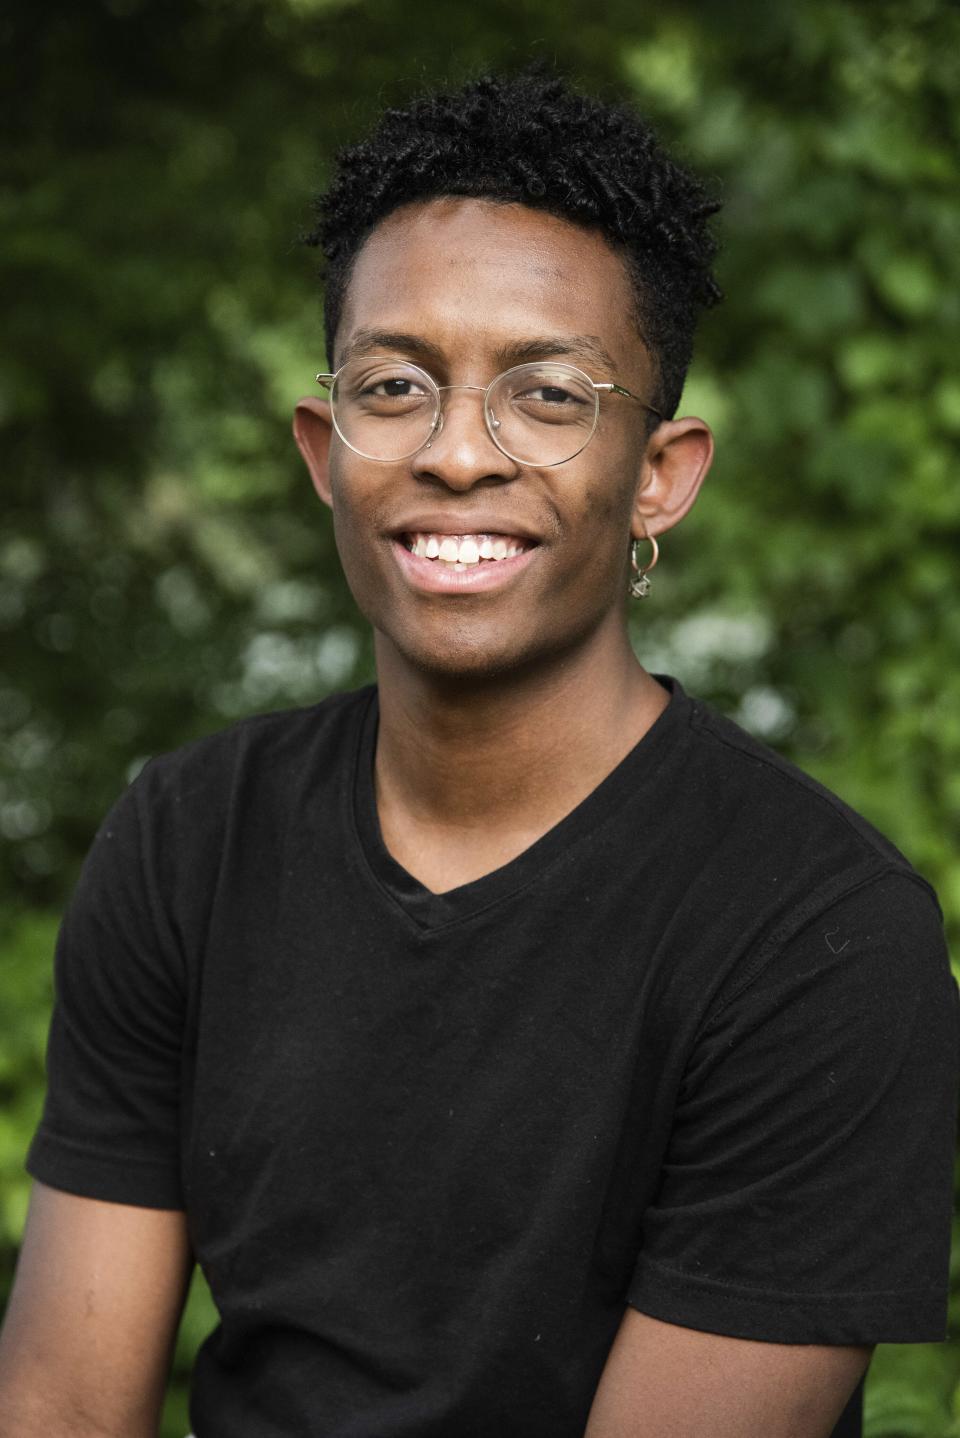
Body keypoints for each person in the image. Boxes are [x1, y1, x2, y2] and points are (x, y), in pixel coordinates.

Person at [0, 70, 956, 1438]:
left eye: (548, 394)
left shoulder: (818, 935)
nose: (458, 451)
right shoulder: (186, 838)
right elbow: (61, 1408)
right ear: (325, 450)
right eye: (397, 384)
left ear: (660, 473)